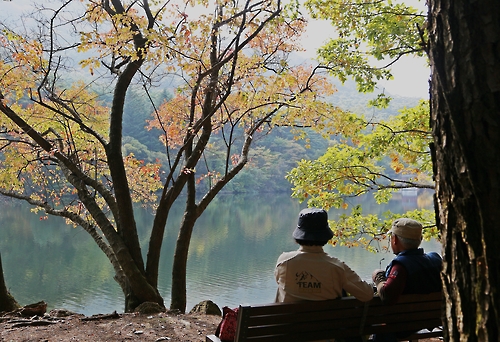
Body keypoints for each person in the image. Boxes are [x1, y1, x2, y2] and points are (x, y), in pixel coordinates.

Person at [275, 207, 373, 303]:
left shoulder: (284, 262)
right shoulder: (337, 267)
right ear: (325, 236)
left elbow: (278, 281)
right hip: (326, 319)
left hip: (289, 319)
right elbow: (367, 294)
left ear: (298, 235)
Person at [371, 218, 442, 342]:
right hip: (432, 318)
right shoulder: (436, 259)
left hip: (404, 324)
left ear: (395, 240)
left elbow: (387, 296)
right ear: (420, 239)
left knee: (381, 328)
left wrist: (378, 277)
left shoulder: (401, 266)